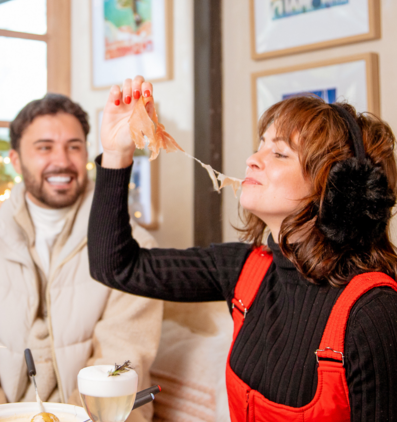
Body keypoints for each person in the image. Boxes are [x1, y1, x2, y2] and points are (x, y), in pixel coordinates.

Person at [89, 76, 397, 420]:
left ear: (339, 188)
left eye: (279, 153)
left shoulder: (374, 312)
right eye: (260, 145)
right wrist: (117, 153)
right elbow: (115, 266)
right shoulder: (246, 268)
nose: (252, 158)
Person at [0, 93, 163, 421]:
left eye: (74, 146)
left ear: (87, 153)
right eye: (44, 147)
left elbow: (120, 362)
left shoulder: (135, 248)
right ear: (16, 160)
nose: (61, 160)